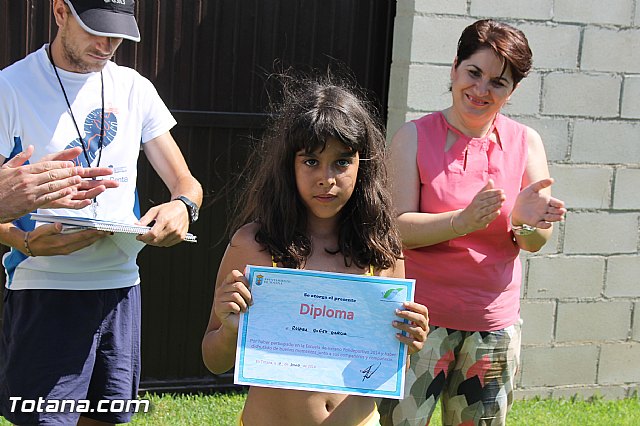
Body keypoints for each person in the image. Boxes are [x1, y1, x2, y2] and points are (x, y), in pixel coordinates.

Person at [0, 0, 202, 425]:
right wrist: (23, 242)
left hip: (121, 289)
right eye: (96, 29)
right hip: (44, 290)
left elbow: (188, 185)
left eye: (118, 33)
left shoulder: (135, 87)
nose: (108, 44)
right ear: (59, 12)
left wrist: (182, 209)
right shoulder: (11, 87)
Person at [201, 75, 429, 426]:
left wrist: (407, 344)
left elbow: (384, 368)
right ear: (289, 165)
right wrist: (231, 328)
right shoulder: (253, 246)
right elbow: (214, 360)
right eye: (311, 161)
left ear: (362, 165)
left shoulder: (382, 250)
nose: (327, 178)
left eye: (342, 162)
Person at [377, 20, 566, 426]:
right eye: (474, 73)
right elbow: (395, 228)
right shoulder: (413, 135)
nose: (481, 90)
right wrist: (461, 222)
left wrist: (525, 223)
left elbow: (534, 240)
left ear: (512, 91)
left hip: (492, 327)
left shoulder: (526, 142)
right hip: (418, 322)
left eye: (498, 82)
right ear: (454, 68)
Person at [0, 143, 118, 223]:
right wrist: (22, 241)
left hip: (124, 253)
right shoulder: (11, 107)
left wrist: (137, 223)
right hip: (35, 257)